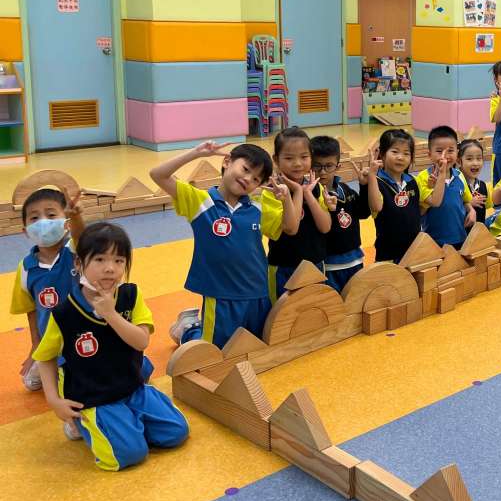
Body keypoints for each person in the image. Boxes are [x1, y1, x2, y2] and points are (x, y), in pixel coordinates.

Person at [33, 222, 189, 469]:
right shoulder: (64, 314)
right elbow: (45, 358)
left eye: (119, 260)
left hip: (132, 386)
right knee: (130, 455)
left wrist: (111, 314)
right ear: (78, 264)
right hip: (95, 397)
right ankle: (86, 422)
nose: (110, 268)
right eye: (99, 260)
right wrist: (54, 400)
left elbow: (141, 341)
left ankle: (125, 421)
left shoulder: (131, 296)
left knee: (176, 433)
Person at [150, 142, 295, 347]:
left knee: (261, 345)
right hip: (221, 297)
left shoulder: (258, 207)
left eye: (256, 179)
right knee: (214, 352)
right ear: (227, 161)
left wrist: (286, 199)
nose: (248, 179)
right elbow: (157, 175)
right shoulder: (200, 202)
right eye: (246, 169)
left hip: (259, 293)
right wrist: (195, 153)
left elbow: (290, 227)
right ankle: (188, 329)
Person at [11, 187, 85, 392]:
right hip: (52, 343)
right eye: (34, 218)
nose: (43, 222)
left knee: (76, 385)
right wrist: (35, 347)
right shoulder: (26, 268)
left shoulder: (75, 252)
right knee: (30, 383)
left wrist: (76, 217)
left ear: (66, 224)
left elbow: (82, 239)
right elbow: (31, 311)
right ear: (25, 230)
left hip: (84, 334)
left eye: (51, 215)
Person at [263, 127, 331, 301]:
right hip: (284, 266)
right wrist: (298, 192)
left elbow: (325, 227)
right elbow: (291, 228)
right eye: (289, 158)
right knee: (282, 313)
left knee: (314, 309)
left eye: (304, 157)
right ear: (276, 160)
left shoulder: (315, 187)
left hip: (315, 263)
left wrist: (307, 193)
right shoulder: (271, 193)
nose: (298, 163)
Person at [310, 136, 371, 292]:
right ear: (309, 166)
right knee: (334, 303)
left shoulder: (346, 189)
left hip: (355, 260)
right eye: (317, 166)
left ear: (338, 166)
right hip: (328, 265)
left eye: (329, 166)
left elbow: (364, 213)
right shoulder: (310, 195)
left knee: (355, 301)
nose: (323, 172)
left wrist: (364, 186)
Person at [415, 126, 476, 249]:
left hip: (460, 237)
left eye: (450, 151)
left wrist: (471, 210)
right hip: (433, 241)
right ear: (429, 154)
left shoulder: (460, 175)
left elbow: (465, 200)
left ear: (457, 153)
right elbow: (425, 207)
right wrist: (437, 181)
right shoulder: (422, 178)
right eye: (439, 151)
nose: (445, 156)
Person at [368, 129, 422, 264]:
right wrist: (372, 175)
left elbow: (420, 210)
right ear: (382, 154)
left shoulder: (412, 181)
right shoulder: (377, 182)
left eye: (406, 153)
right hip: (388, 254)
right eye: (395, 151)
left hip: (414, 251)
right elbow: (376, 206)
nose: (400, 157)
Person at [458, 138, 488, 227]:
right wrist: (469, 204)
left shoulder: (482, 185)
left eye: (479, 158)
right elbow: (450, 211)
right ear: (459, 161)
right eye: (469, 159)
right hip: (461, 234)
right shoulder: (456, 185)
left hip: (479, 233)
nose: (475, 163)